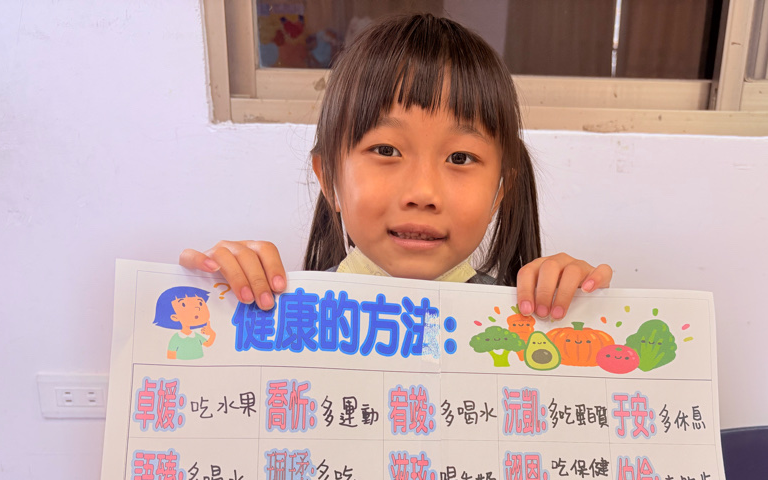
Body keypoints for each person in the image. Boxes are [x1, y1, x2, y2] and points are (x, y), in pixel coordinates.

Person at [179, 13, 612, 319]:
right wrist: (220, 292)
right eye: (386, 150)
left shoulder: (525, 322)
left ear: (500, 191)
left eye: (460, 158)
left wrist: (581, 308)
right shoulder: (280, 310)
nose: (423, 193)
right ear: (329, 179)